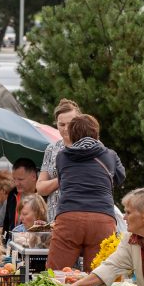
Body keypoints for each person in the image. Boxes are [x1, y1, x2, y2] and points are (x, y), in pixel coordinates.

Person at [46, 114, 125, 271]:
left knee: (57, 276)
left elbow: (62, 180)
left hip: (69, 218)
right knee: (98, 277)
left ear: (73, 135)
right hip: (102, 218)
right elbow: (119, 177)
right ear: (96, 134)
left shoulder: (62, 156)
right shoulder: (110, 155)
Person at [36, 99, 81, 221]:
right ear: (56, 124)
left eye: (71, 123)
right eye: (62, 124)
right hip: (55, 217)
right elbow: (40, 188)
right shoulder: (51, 149)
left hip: (81, 214)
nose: (66, 128)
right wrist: (62, 179)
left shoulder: (91, 146)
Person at [1, 158, 38, 241]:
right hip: (12, 247)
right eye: (14, 179)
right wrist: (4, 243)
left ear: (33, 177)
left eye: (20, 179)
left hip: (32, 248)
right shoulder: (12, 194)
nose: (16, 183)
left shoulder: (43, 197)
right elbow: (6, 224)